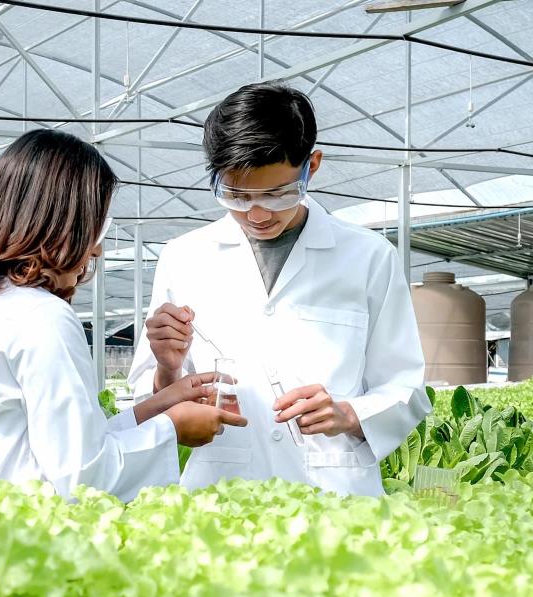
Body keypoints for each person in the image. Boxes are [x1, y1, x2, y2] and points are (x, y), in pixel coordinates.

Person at [128, 82, 430, 496]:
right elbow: (150, 398)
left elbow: (405, 386)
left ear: (312, 166)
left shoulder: (369, 257)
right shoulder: (183, 258)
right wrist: (166, 366)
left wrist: (348, 413)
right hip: (221, 491)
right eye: (235, 194)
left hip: (334, 491)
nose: (255, 213)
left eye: (276, 193)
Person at [0, 129, 247, 502]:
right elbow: (84, 477)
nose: (97, 246)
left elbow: (63, 444)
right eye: (97, 225)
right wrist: (172, 429)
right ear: (67, 223)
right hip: (26, 537)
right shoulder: (42, 318)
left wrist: (161, 404)